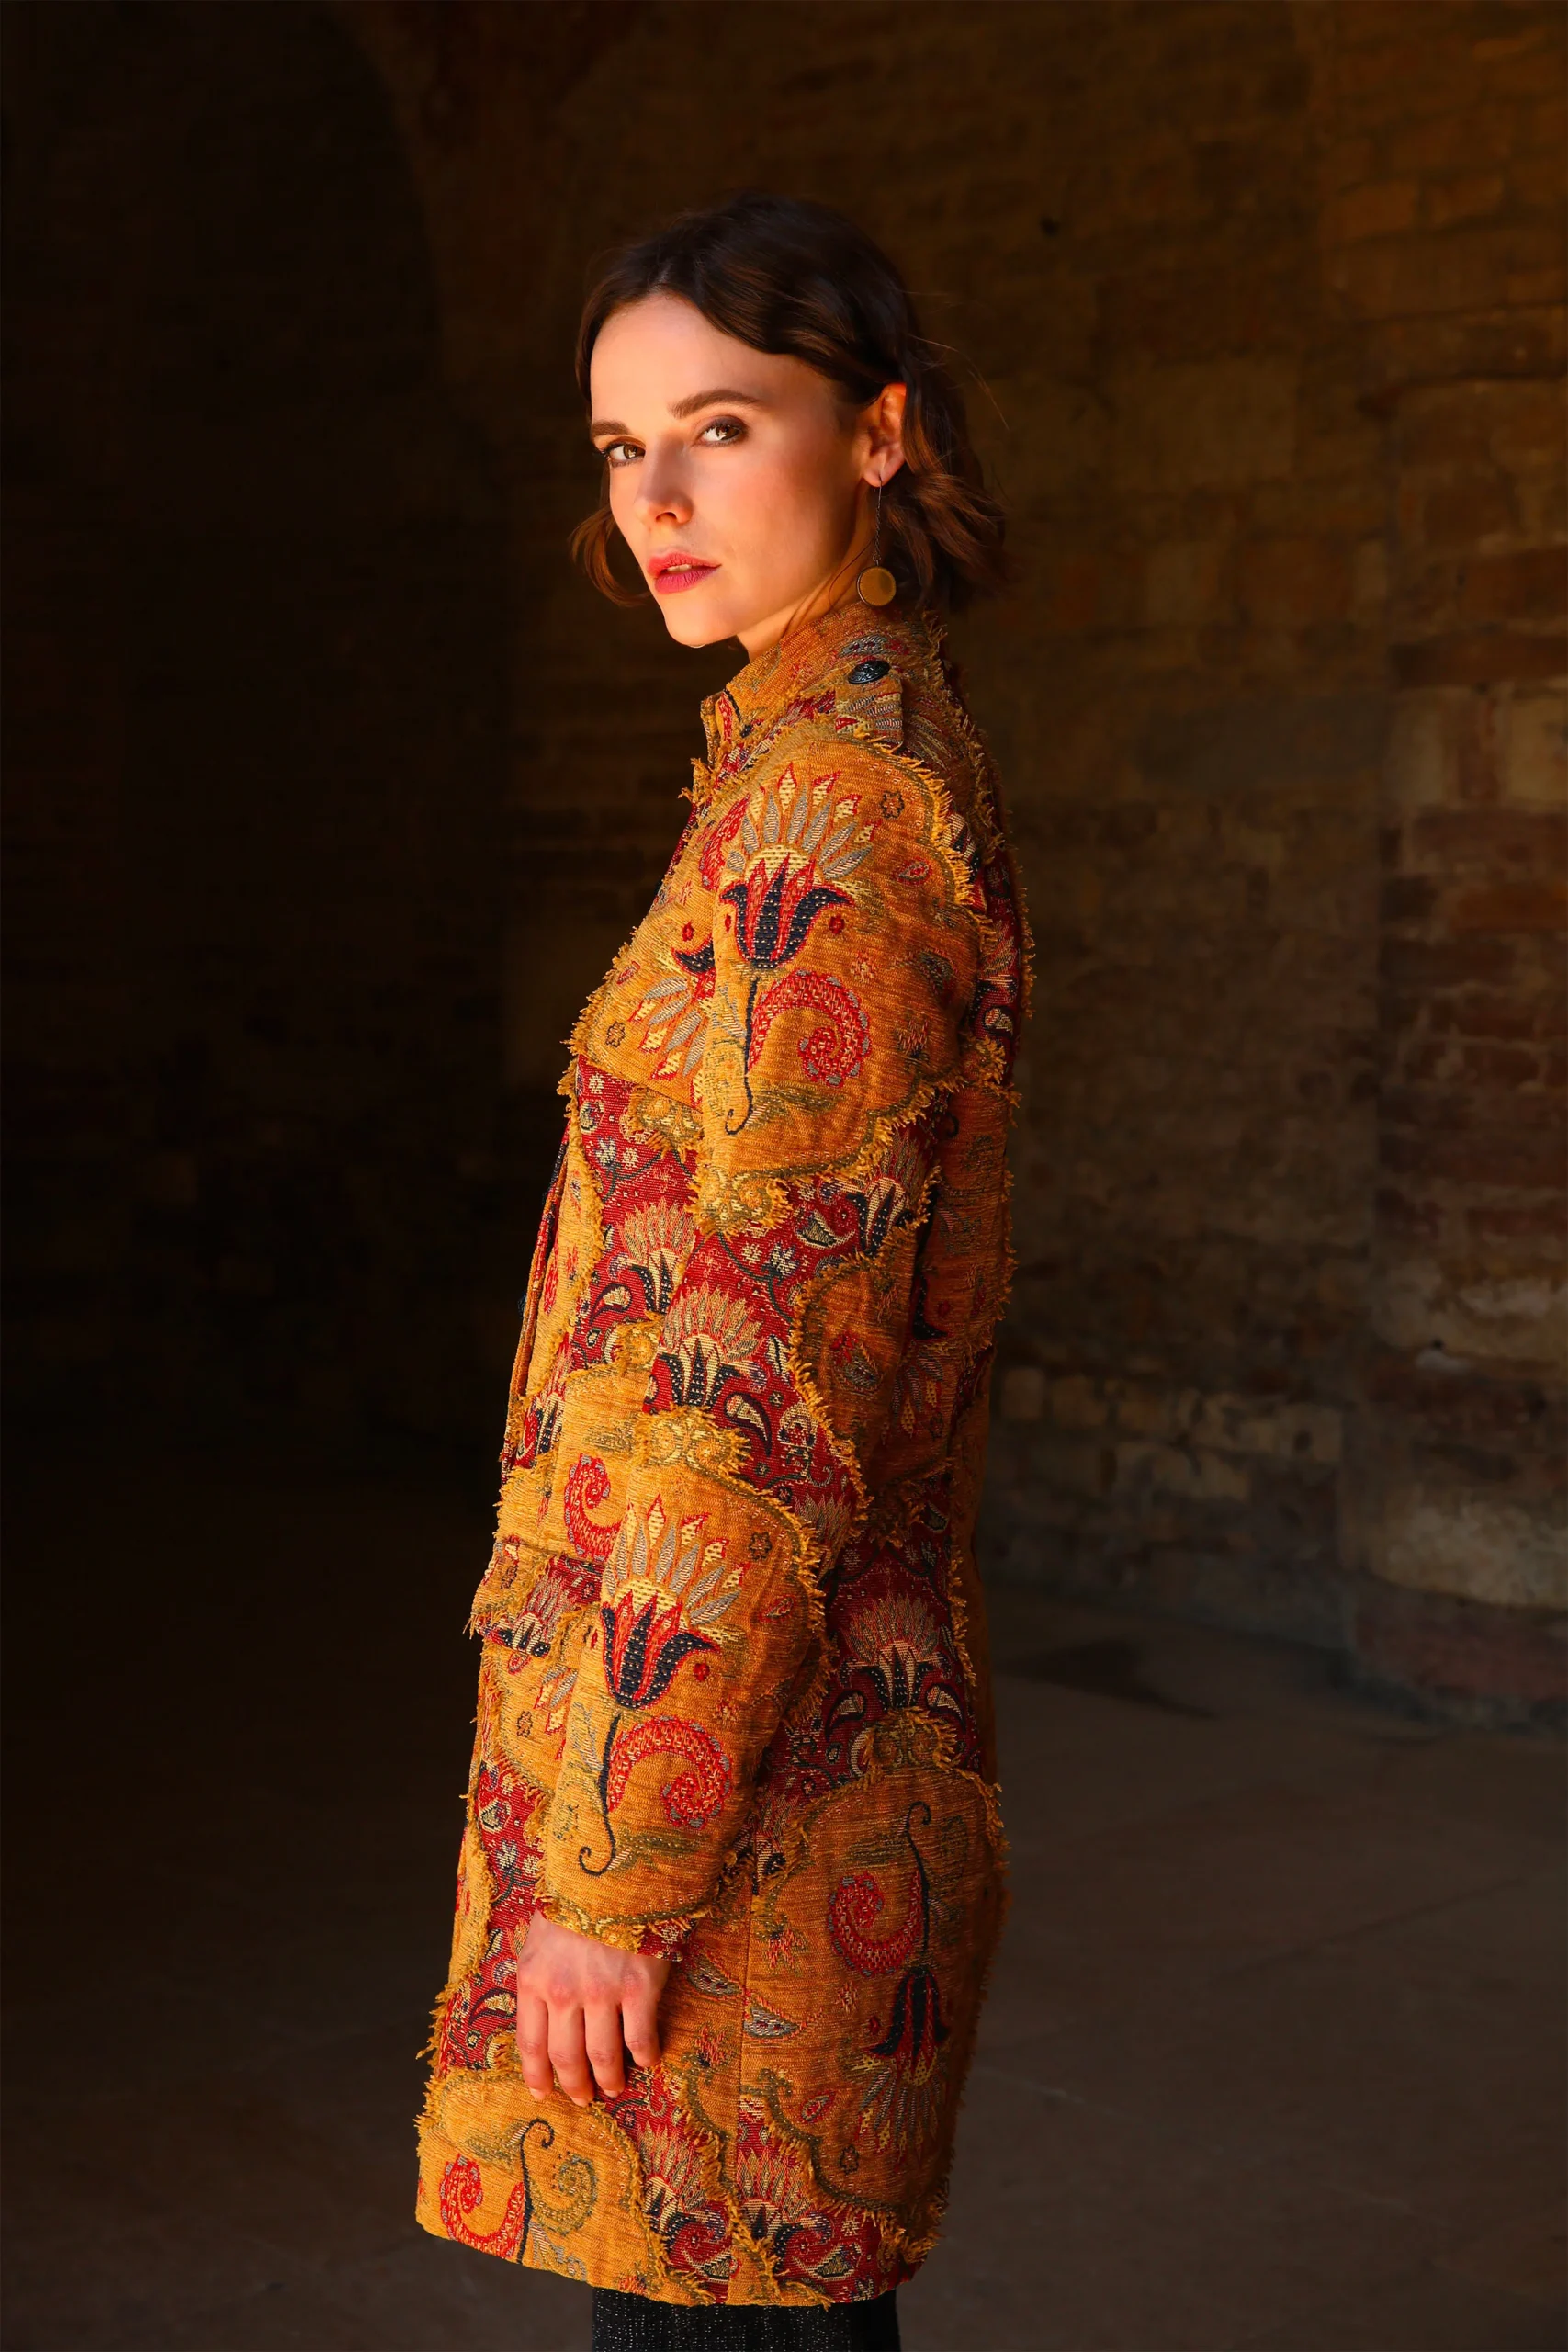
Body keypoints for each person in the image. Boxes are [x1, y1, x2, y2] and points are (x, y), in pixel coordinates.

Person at [416, 190, 1030, 2352]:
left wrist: (615, 1880)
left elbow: (757, 1391)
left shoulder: (825, 816)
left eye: (716, 427)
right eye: (618, 446)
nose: (655, 500)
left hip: (739, 1836)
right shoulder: (818, 753)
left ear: (877, 433)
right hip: (763, 1775)